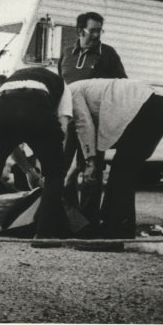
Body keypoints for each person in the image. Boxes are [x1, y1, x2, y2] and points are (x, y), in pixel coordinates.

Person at [0, 67, 71, 247]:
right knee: (55, 174)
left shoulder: (15, 78)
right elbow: (63, 126)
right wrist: (54, 162)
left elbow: (11, 143)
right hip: (36, 107)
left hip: (0, 110)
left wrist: (29, 171)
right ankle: (45, 234)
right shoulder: (63, 86)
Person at [68, 78, 163, 250]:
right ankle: (116, 230)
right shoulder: (78, 88)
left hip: (147, 106)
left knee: (122, 172)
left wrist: (91, 161)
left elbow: (84, 125)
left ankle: (113, 237)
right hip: (158, 105)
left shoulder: (70, 93)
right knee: (122, 170)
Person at [57, 12, 128, 229]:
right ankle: (68, 216)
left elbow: (121, 85)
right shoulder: (67, 53)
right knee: (62, 168)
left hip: (95, 124)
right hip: (68, 122)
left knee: (91, 169)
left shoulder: (108, 54)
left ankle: (88, 221)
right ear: (80, 31)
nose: (97, 35)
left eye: (100, 30)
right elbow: (61, 84)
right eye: (93, 30)